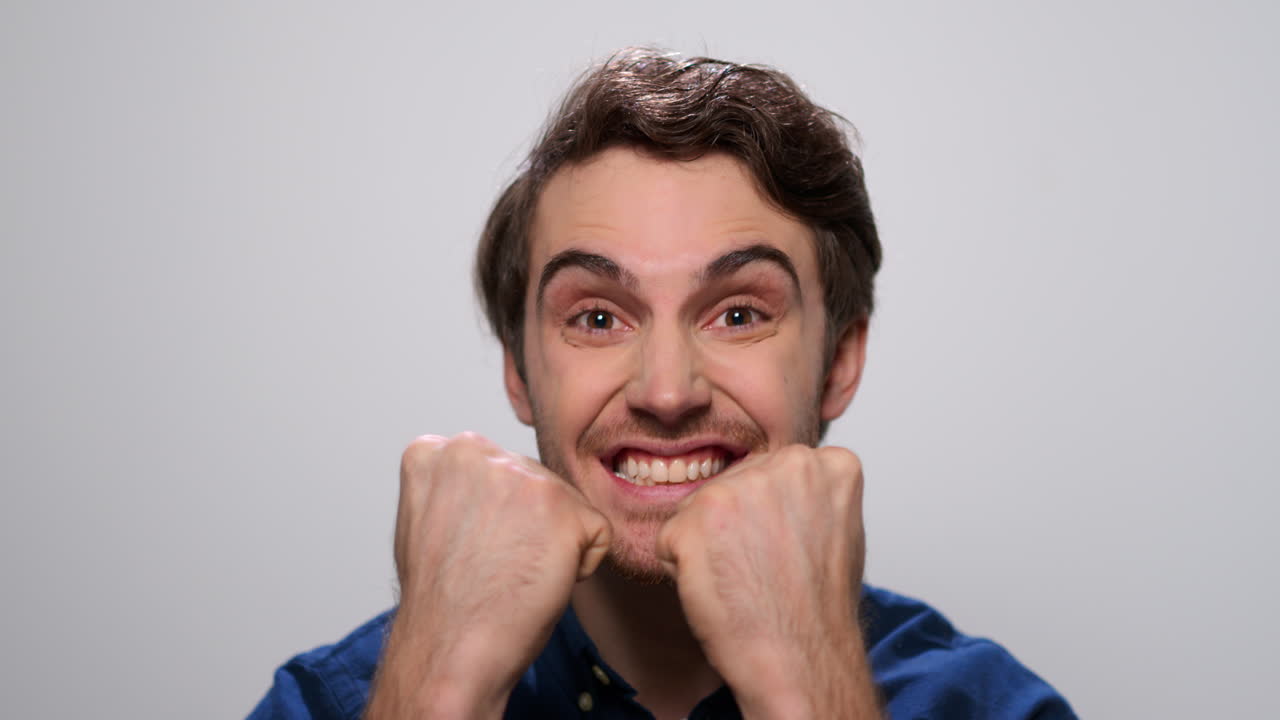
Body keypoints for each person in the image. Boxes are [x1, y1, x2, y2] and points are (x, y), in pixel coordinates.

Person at [248, 48, 1077, 719]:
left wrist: (804, 688)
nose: (668, 391)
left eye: (740, 314)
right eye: (599, 318)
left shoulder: (989, 708)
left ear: (840, 362)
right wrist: (437, 695)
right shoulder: (330, 704)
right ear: (520, 371)